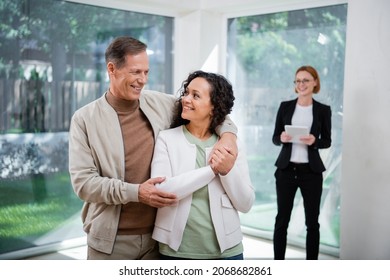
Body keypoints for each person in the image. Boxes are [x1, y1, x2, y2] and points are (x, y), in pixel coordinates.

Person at [68, 36, 238, 260]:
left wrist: (228, 136)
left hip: (157, 240)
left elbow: (209, 110)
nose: (142, 80)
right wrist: (137, 193)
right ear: (112, 68)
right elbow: (84, 184)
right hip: (111, 241)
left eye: (146, 72)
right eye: (135, 72)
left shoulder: (161, 104)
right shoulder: (84, 119)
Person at [151, 70, 255, 260]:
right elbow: (162, 189)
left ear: (214, 107)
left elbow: (245, 203)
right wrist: (212, 170)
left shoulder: (231, 144)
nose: (185, 99)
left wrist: (227, 170)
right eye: (187, 92)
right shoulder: (167, 139)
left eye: (195, 96)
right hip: (176, 251)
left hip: (227, 253)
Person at [272, 65, 332, 260]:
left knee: (312, 223)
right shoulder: (285, 106)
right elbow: (275, 137)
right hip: (286, 171)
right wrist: (282, 137)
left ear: (315, 82)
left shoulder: (323, 110)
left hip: (311, 173)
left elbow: (327, 141)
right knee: (282, 220)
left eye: (306, 80)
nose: (301, 84)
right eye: (298, 80)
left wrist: (315, 141)